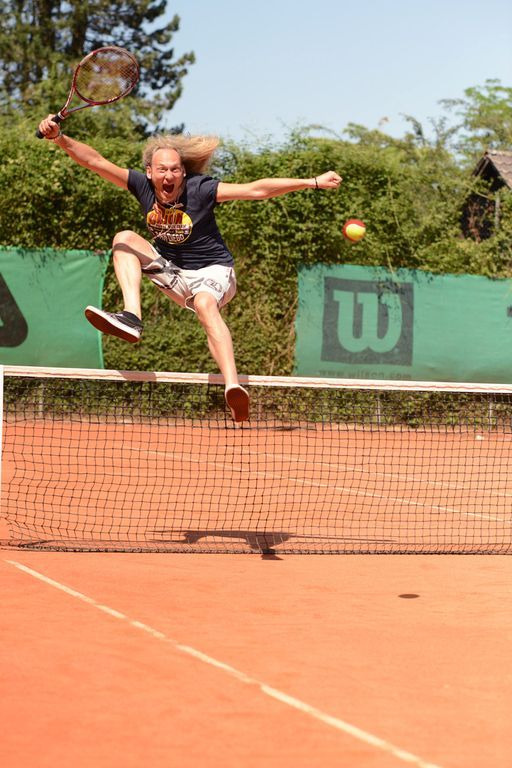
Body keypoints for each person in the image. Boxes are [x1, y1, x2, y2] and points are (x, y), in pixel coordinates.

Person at [37, 116, 342, 421]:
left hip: (214, 271)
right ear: (149, 172)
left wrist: (312, 182)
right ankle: (132, 317)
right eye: (162, 169)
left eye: (174, 169)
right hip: (175, 272)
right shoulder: (141, 186)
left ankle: (233, 386)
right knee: (124, 239)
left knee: (206, 305)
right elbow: (94, 161)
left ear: (183, 172)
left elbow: (256, 190)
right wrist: (60, 137)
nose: (168, 175)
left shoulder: (201, 189)